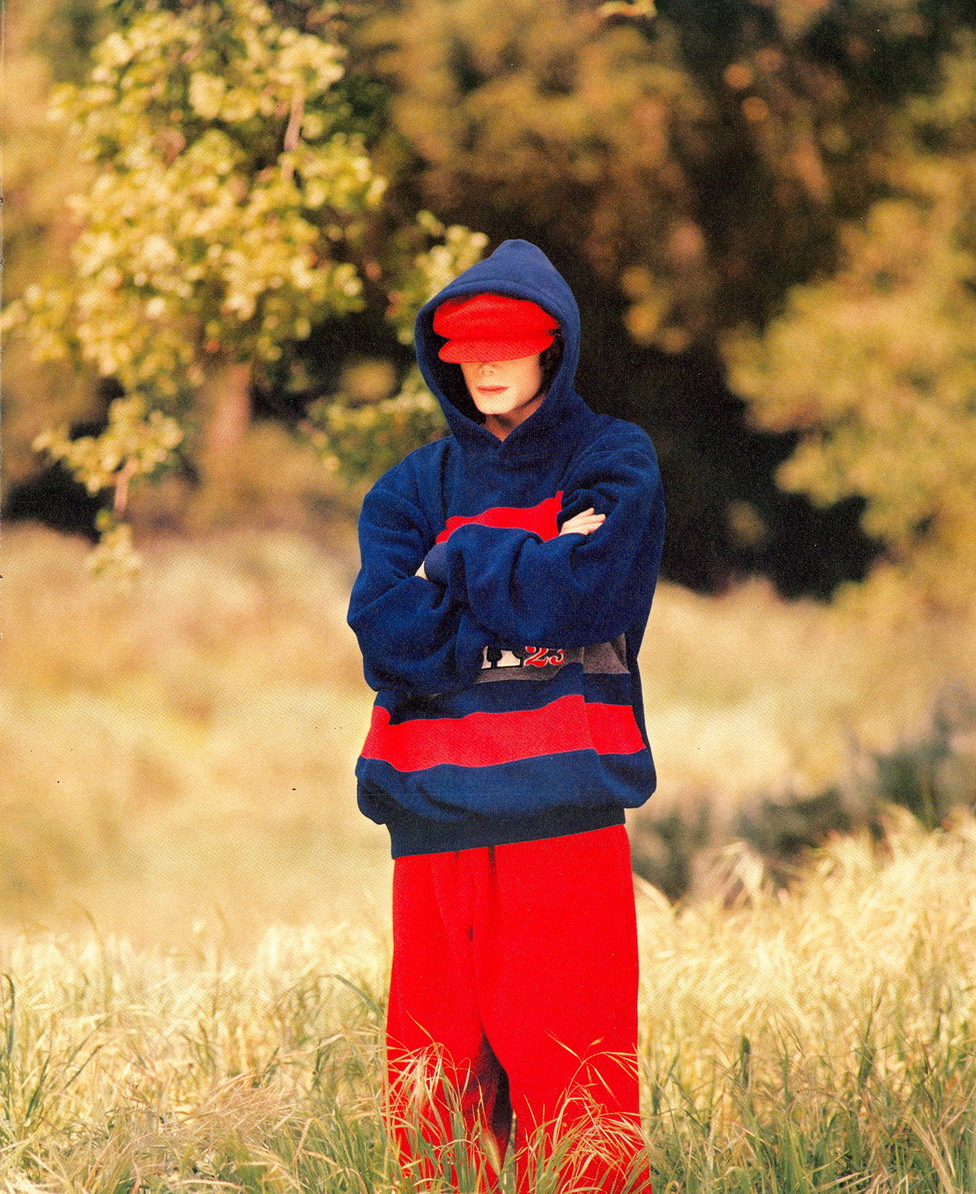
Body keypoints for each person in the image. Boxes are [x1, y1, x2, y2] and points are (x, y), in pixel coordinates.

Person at [347, 239, 665, 1192]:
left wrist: (450, 562)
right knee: (435, 1115)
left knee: (581, 1108)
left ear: (552, 346)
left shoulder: (613, 458)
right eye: (466, 347)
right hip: (432, 822)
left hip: (565, 815)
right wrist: (532, 565)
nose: (483, 364)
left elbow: (589, 597)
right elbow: (387, 636)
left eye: (508, 344)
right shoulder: (408, 488)